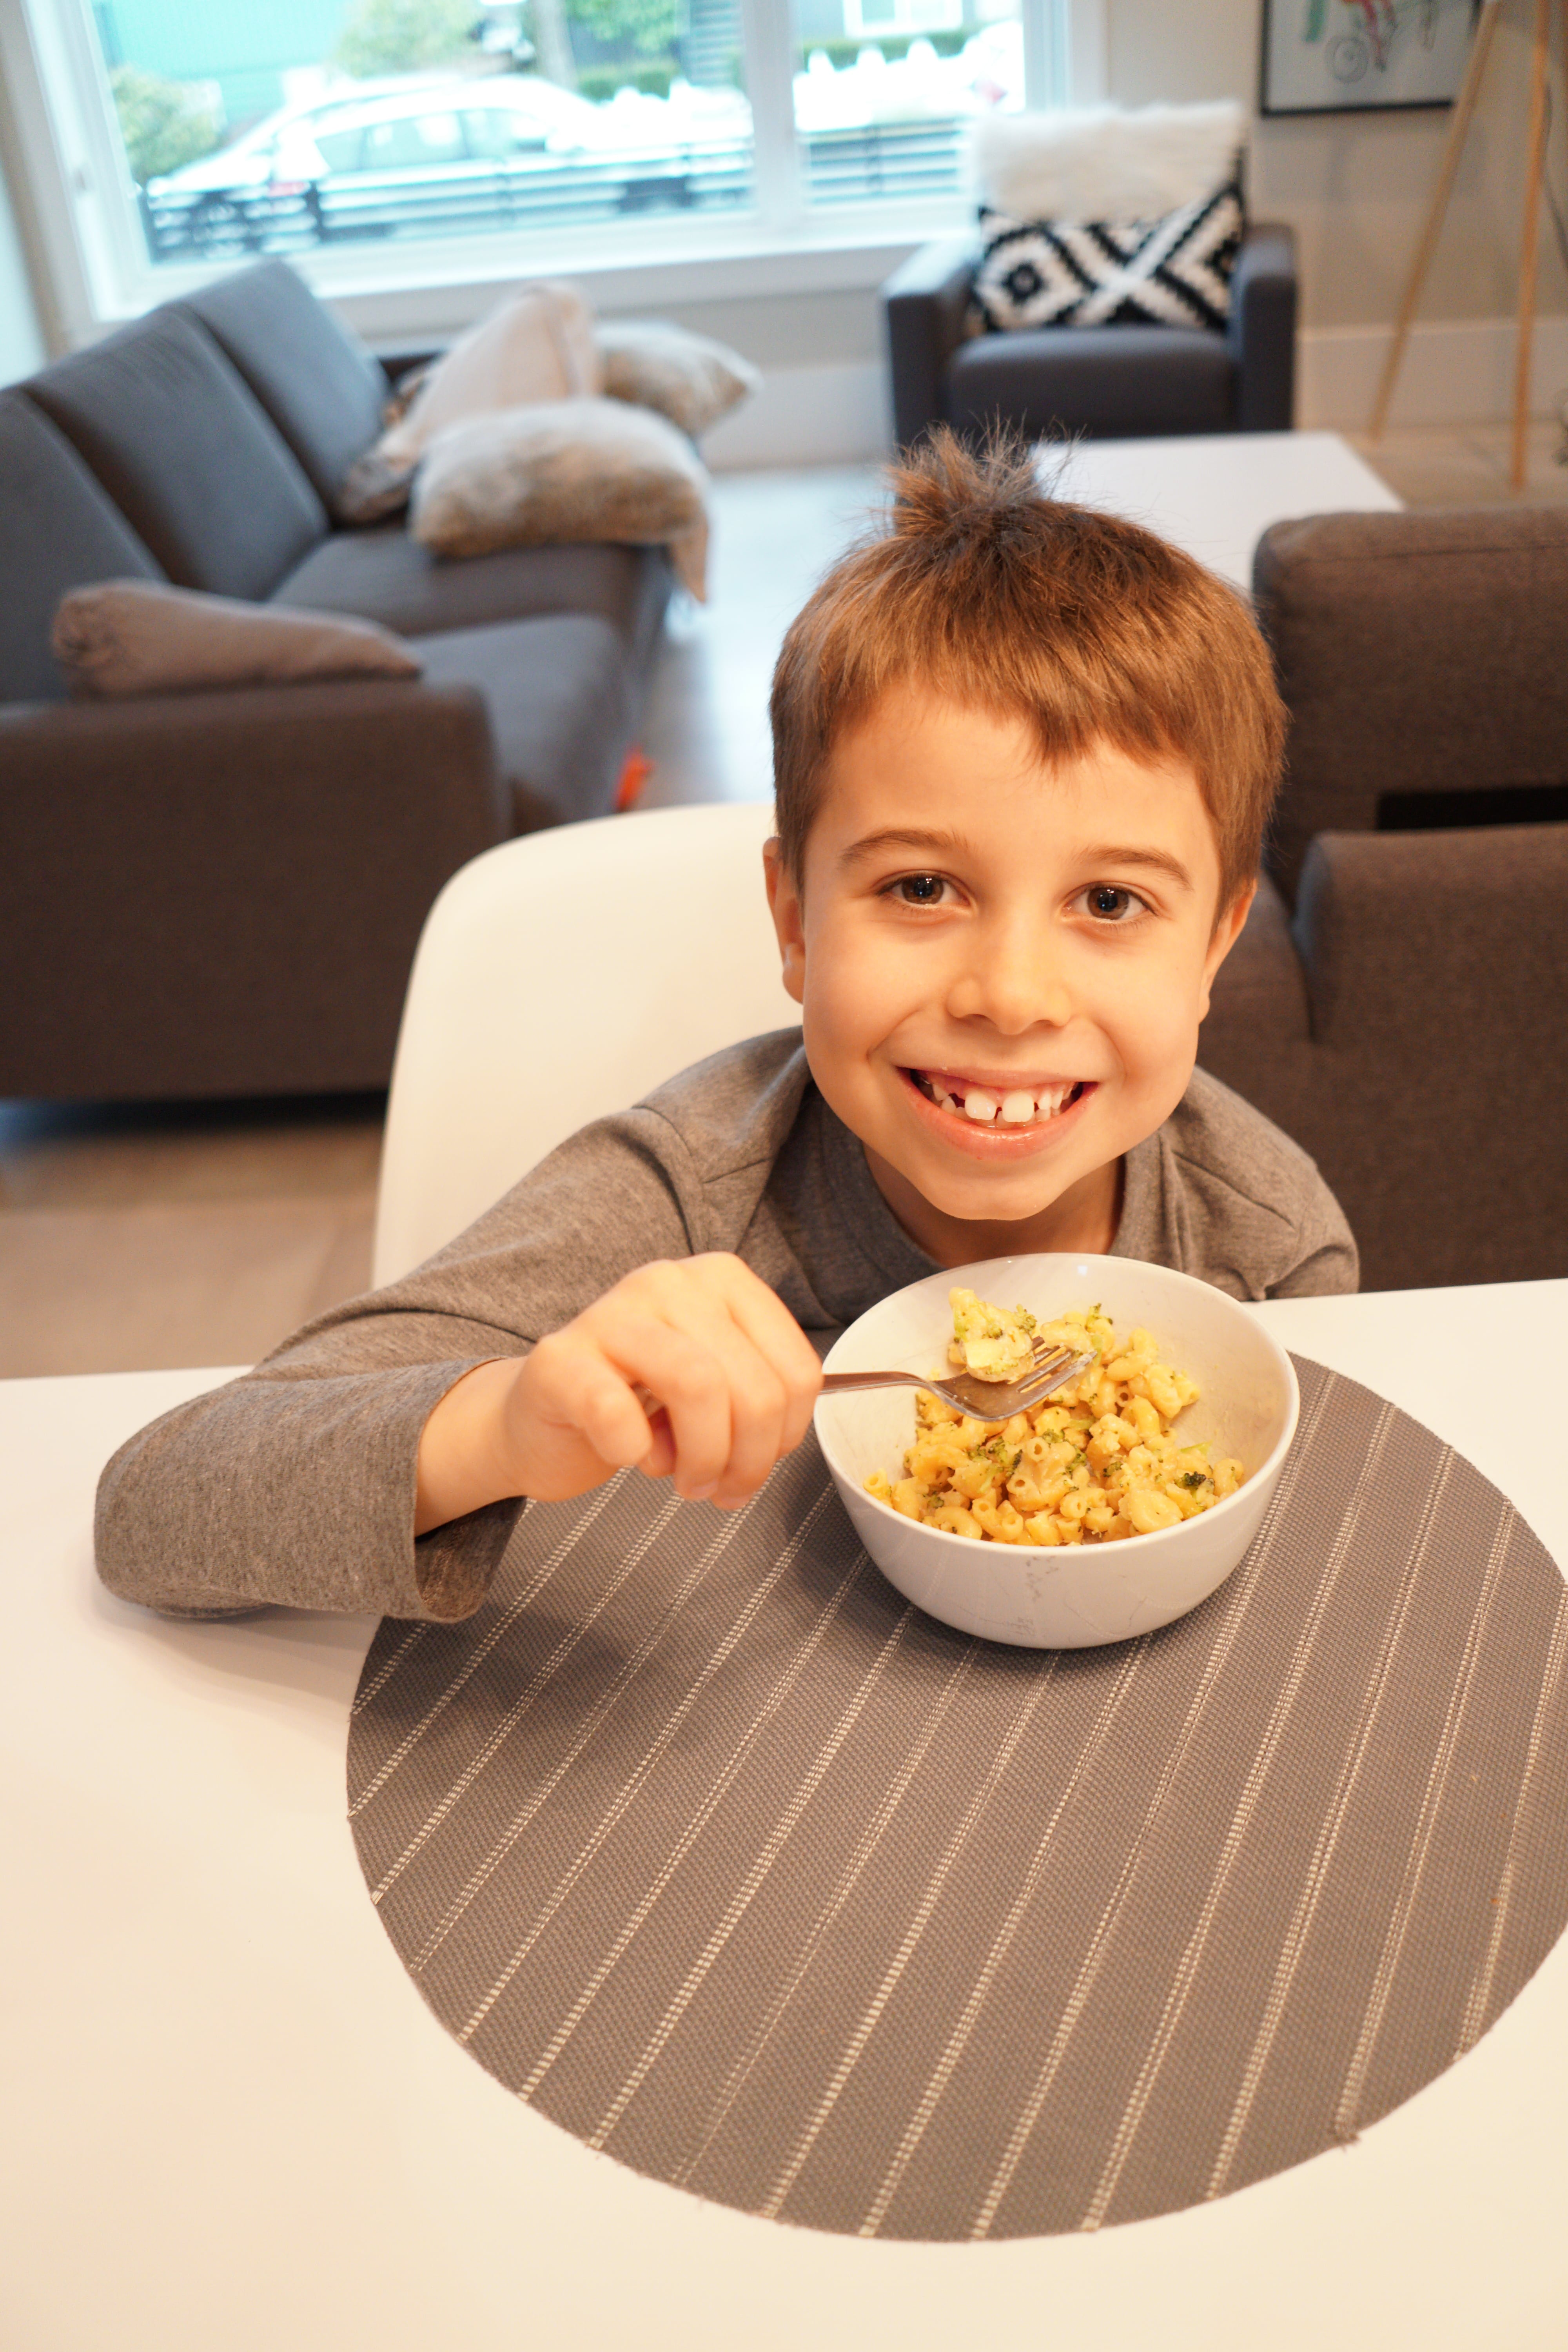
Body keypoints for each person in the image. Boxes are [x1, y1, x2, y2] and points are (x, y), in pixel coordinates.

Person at [95, 434, 1356, 1623]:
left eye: (1110, 901)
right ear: (795, 924)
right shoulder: (687, 1193)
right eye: (922, 887)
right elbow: (155, 1504)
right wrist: (509, 1424)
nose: (1011, 996)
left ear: (1214, 946)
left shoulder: (1266, 1238)